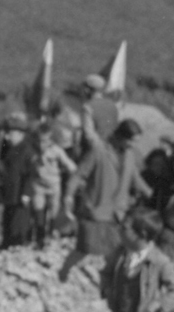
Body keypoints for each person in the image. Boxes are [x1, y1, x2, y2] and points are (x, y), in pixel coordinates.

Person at [61, 119, 142, 285]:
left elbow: (135, 178)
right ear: (122, 137)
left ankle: (107, 283)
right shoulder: (99, 150)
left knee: (115, 250)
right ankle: (64, 272)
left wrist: (151, 192)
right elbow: (79, 174)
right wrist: (68, 195)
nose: (134, 145)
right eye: (132, 141)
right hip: (96, 209)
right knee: (85, 248)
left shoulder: (130, 155)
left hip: (118, 211)